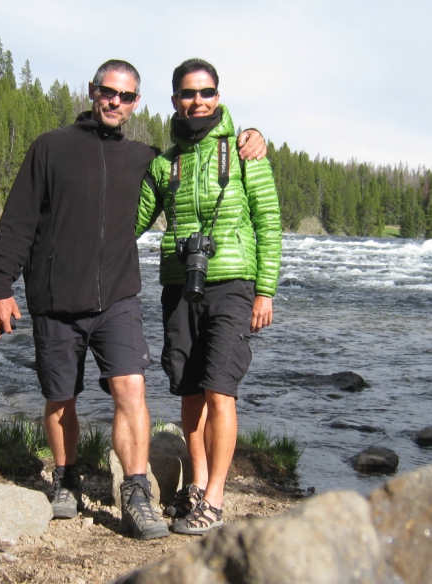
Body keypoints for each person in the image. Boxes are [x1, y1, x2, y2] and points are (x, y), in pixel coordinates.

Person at [0, 59, 266, 540]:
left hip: (117, 297)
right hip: (54, 297)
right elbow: (18, 220)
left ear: (136, 104)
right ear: (92, 91)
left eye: (127, 96)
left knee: (131, 389)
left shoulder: (145, 157)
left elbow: (200, 142)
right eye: (107, 91)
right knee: (59, 399)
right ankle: (66, 475)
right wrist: (0, 287)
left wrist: (251, 133)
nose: (115, 101)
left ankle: (135, 490)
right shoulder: (50, 148)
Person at [136, 58, 281, 535]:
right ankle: (195, 485)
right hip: (180, 285)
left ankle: (215, 500)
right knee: (189, 389)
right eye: (187, 93)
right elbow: (131, 221)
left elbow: (268, 223)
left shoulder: (246, 152)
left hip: (233, 283)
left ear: (218, 95)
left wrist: (265, 291)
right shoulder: (164, 163)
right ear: (175, 99)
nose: (197, 101)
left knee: (221, 390)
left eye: (206, 92)